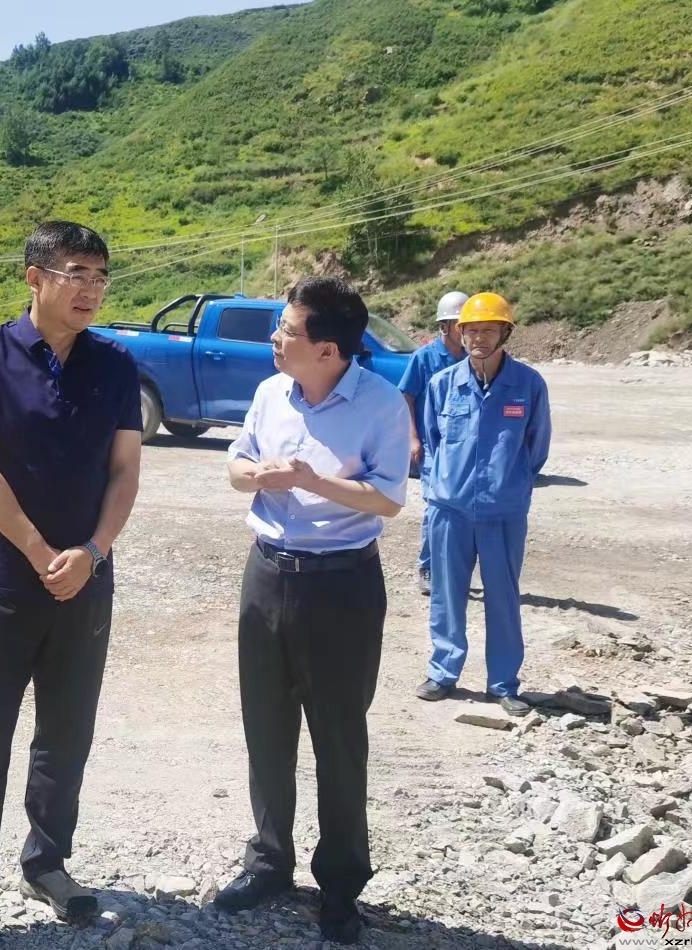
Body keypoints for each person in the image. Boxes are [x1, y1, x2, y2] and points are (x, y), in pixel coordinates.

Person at [0, 221, 143, 950]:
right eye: (76, 273)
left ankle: (47, 862)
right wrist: (38, 550)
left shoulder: (115, 364)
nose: (91, 289)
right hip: (2, 583)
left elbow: (125, 470)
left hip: (85, 582)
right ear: (34, 276)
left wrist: (92, 551)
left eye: (100, 276)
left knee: (66, 732)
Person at [215, 277, 410, 945]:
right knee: (266, 727)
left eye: (288, 330)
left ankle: (341, 886)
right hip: (268, 574)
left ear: (328, 349)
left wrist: (308, 480)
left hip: (341, 586)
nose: (276, 339)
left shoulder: (382, 404)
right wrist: (255, 476)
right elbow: (236, 465)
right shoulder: (272, 393)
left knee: (338, 738)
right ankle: (269, 861)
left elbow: (387, 499)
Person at [413, 292, 551, 717]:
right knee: (446, 595)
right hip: (449, 511)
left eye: (488, 330)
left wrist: (509, 486)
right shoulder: (443, 384)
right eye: (470, 331)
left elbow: (536, 448)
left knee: (503, 598)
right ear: (459, 333)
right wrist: (442, 487)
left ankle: (503, 683)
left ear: (505, 333)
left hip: (503, 512)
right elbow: (432, 442)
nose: (478, 338)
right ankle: (443, 672)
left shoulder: (528, 385)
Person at [397, 290, 468, 594]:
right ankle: (427, 567)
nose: (466, 332)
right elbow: (406, 397)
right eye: (461, 325)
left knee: (462, 510)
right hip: (432, 447)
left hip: (462, 449)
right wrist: (412, 438)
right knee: (435, 509)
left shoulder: (473, 359)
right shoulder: (424, 358)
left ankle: (453, 567)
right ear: (445, 326)